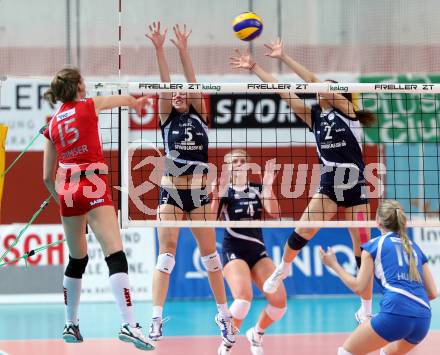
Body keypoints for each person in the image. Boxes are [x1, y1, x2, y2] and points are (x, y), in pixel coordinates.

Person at [229, 38, 377, 322]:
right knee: (301, 233)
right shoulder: (316, 117)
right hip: (330, 184)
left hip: (355, 183)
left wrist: (285, 57)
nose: (320, 90)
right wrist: (257, 67)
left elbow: (312, 81)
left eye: (327, 88)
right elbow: (283, 92)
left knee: (363, 247)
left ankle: (367, 309)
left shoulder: (348, 115)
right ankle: (283, 268)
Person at [42, 67, 154, 350]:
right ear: (79, 86)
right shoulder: (89, 105)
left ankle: (71, 323)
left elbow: (45, 177)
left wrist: (66, 204)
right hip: (92, 183)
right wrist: (136, 102)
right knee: (115, 255)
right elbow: (123, 99)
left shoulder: (52, 123)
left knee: (77, 260)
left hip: (67, 191)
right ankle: (130, 324)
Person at [145, 22, 235, 346]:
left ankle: (224, 316)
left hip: (197, 193)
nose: (180, 94)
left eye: (185, 93)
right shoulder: (167, 116)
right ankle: (155, 319)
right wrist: (159, 49)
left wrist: (183, 51)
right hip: (171, 190)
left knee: (211, 257)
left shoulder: (200, 116)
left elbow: (192, 83)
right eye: (176, 93)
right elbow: (166, 86)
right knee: (166, 255)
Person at [320, 200, 437, 354]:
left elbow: (358, 287)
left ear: (378, 222)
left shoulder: (374, 245)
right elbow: (433, 293)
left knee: (345, 352)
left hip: (395, 311)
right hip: (423, 319)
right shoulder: (414, 247)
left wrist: (334, 264)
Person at [212, 150, 287, 355]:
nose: (239, 164)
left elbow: (275, 212)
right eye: (234, 161)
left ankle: (256, 333)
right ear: (227, 167)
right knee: (244, 298)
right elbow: (210, 219)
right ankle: (227, 343)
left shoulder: (257, 188)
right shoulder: (225, 191)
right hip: (233, 249)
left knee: (279, 303)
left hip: (258, 250)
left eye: (242, 160)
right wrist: (216, 195)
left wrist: (269, 187)